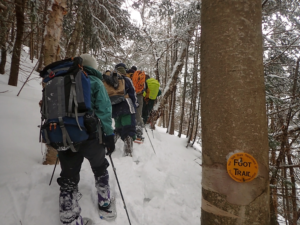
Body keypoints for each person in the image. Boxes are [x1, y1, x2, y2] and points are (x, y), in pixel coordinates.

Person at [57, 54, 116, 225]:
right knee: (99, 167)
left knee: (68, 176)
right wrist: (109, 135)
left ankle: (69, 215)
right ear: (93, 67)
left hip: (66, 135)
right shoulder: (96, 82)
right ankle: (104, 201)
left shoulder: (63, 80)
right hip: (91, 137)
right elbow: (104, 111)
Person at [103, 63, 138, 156]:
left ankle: (109, 148)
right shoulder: (126, 79)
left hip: (114, 108)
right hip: (127, 106)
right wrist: (135, 106)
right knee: (129, 129)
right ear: (124, 71)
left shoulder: (109, 81)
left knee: (118, 129)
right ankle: (128, 153)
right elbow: (133, 94)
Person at [127, 67, 146, 143]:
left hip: (128, 96)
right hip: (139, 96)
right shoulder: (140, 76)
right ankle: (139, 135)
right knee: (138, 114)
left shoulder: (127, 76)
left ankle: (128, 132)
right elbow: (144, 88)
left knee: (129, 114)